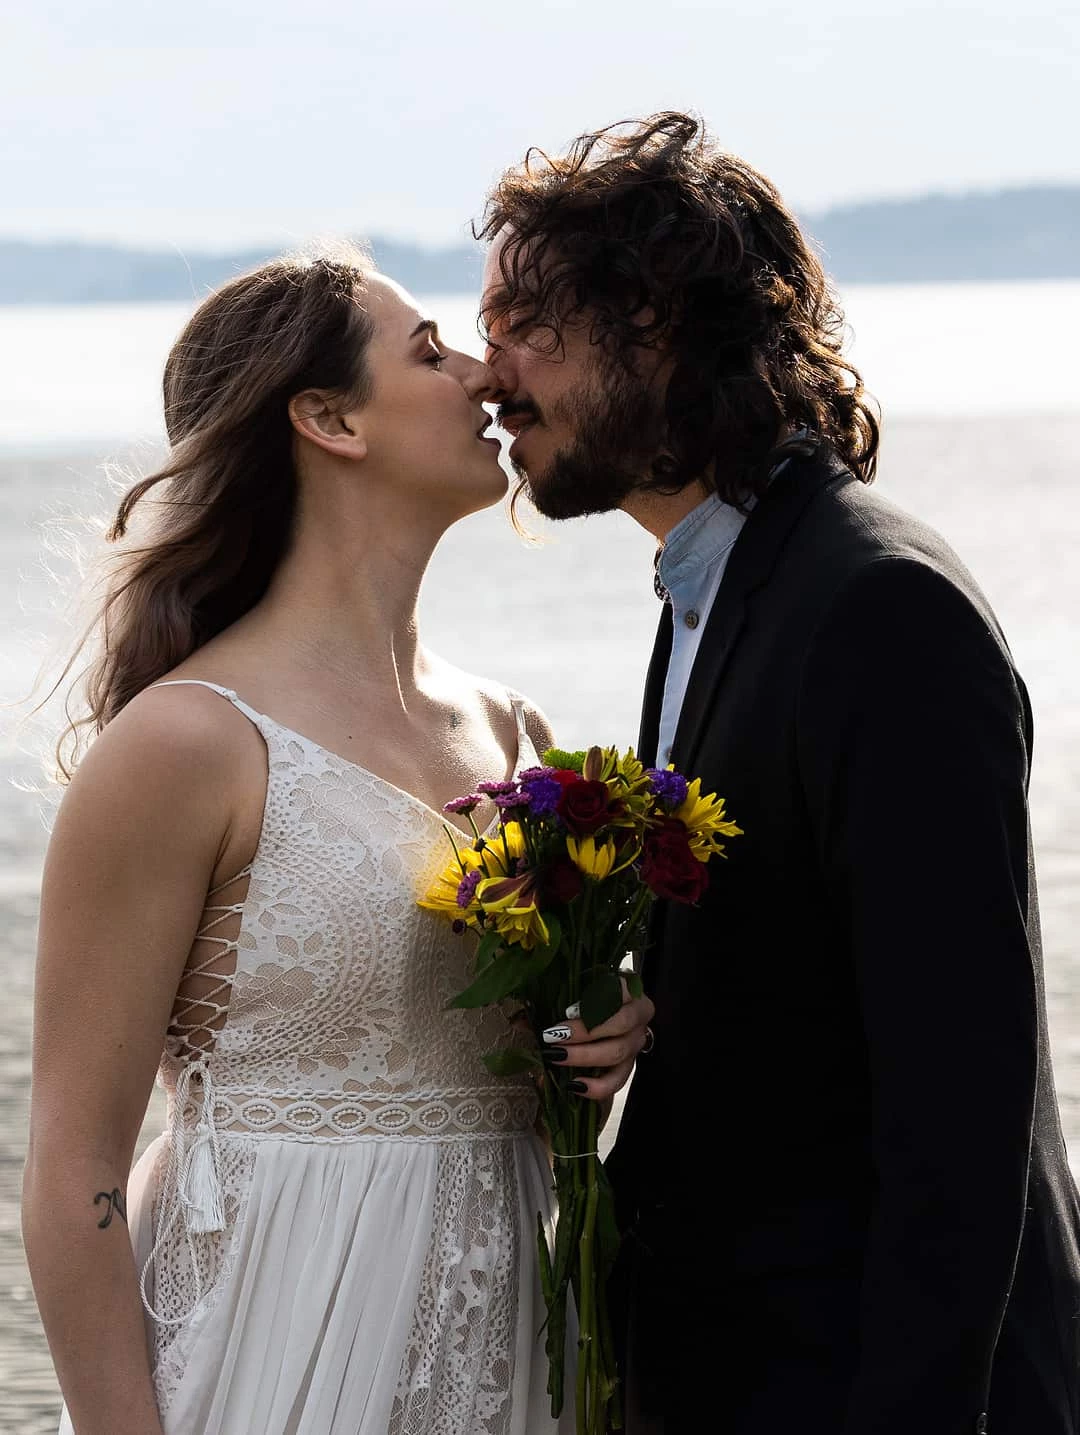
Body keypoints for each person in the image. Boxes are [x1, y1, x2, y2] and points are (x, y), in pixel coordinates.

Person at [478, 113, 1080, 1433]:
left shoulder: (879, 609)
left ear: (650, 325)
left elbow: (960, 1113)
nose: (487, 370)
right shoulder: (711, 590)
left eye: (524, 323)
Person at [20, 242, 653, 1435]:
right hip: (266, 1350)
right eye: (430, 350)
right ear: (328, 420)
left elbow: (529, 1093)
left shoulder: (516, 734)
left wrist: (601, 1044)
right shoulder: (186, 747)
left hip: (504, 1345)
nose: (481, 375)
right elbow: (71, 1170)